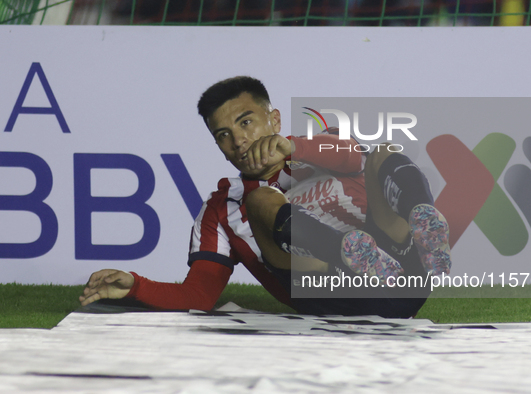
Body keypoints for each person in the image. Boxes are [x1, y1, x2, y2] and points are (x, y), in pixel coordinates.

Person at [79, 76, 450, 317]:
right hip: (329, 292)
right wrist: (136, 285)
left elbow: (355, 156)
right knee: (260, 201)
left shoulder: (318, 146)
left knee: (383, 152)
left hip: (401, 275)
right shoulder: (221, 208)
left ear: (273, 120)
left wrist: (292, 148)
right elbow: (198, 295)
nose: (237, 140)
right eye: (222, 134)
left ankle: (425, 220)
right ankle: (349, 253)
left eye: (245, 122)